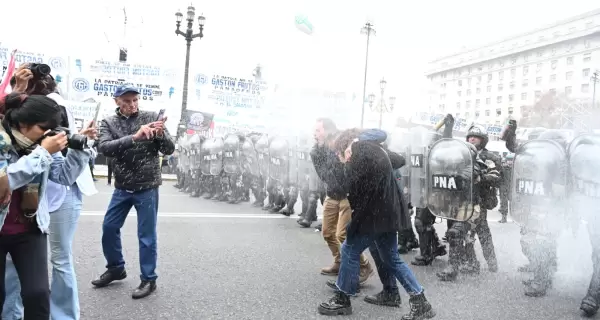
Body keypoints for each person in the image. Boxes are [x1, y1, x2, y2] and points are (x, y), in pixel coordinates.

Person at [2, 66, 98, 320]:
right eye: (42, 128)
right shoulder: (3, 141)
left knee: (37, 294)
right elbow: (7, 179)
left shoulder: (38, 143)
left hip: (29, 228)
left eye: (51, 129)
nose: (47, 135)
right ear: (23, 123)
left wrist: (79, 149)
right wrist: (43, 152)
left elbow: (64, 176)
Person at [318, 129, 435, 319]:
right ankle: (420, 302)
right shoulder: (372, 151)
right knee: (391, 257)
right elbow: (394, 160)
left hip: (375, 215)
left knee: (349, 249)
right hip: (387, 213)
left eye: (342, 155)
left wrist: (354, 146)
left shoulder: (360, 150)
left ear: (345, 148)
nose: (344, 160)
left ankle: (342, 299)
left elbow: (342, 188)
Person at [92, 85, 175, 299]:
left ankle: (149, 279)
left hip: (147, 185)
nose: (132, 105)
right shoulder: (109, 122)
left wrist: (159, 135)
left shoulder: (152, 116)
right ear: (117, 101)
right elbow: (104, 148)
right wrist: (135, 137)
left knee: (146, 235)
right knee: (109, 227)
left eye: (135, 100)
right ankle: (116, 268)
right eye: (127, 101)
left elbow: (169, 149)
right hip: (122, 186)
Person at [311, 119, 373, 282]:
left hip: (347, 195)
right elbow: (322, 173)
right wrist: (316, 151)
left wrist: (348, 188)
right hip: (332, 194)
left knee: (343, 235)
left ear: (328, 130)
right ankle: (339, 262)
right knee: (327, 232)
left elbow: (349, 168)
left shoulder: (341, 143)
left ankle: (363, 265)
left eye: (318, 130)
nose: (314, 134)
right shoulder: (318, 150)